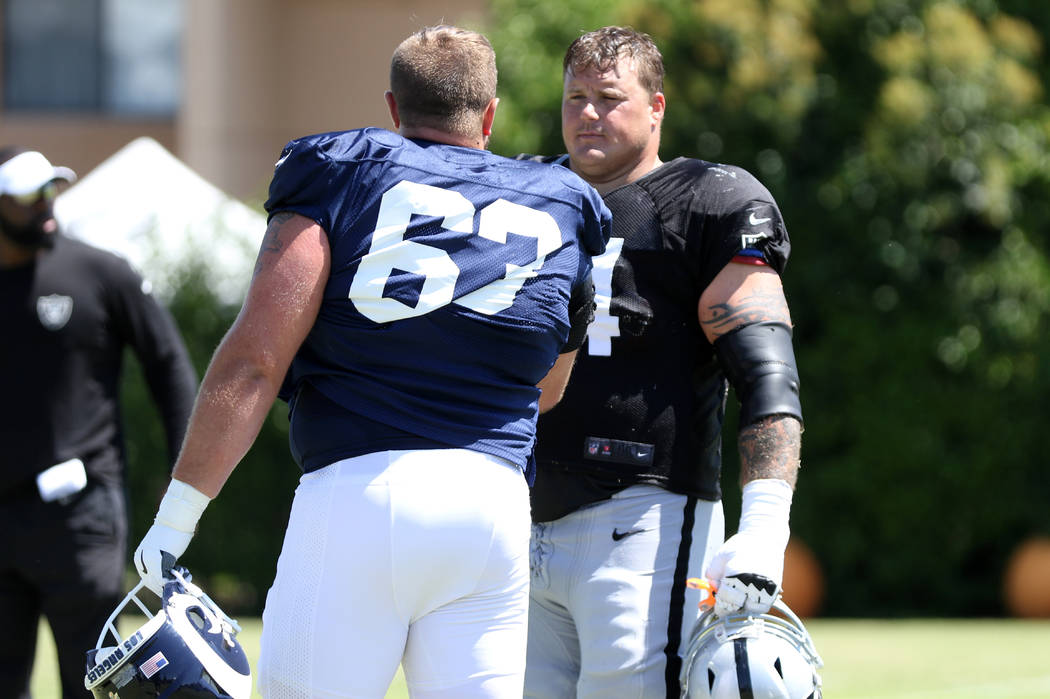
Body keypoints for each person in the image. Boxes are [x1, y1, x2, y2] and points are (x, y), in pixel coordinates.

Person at [132, 24, 611, 698]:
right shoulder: (558, 204)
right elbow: (549, 388)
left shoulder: (340, 169)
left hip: (361, 495)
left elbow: (254, 362)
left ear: (393, 108)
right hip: (492, 507)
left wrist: (176, 517)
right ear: (490, 114)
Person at [522, 26, 804, 699]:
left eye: (609, 97)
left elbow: (767, 375)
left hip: (641, 514)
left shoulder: (707, 201)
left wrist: (765, 525)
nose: (588, 113)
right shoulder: (525, 195)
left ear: (657, 107)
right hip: (515, 509)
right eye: (576, 97)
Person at [0, 147, 198, 698]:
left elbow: (170, 368)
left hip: (79, 517)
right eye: (26, 197)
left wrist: (184, 479)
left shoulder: (98, 273)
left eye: (49, 191)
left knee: (92, 683)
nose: (45, 207)